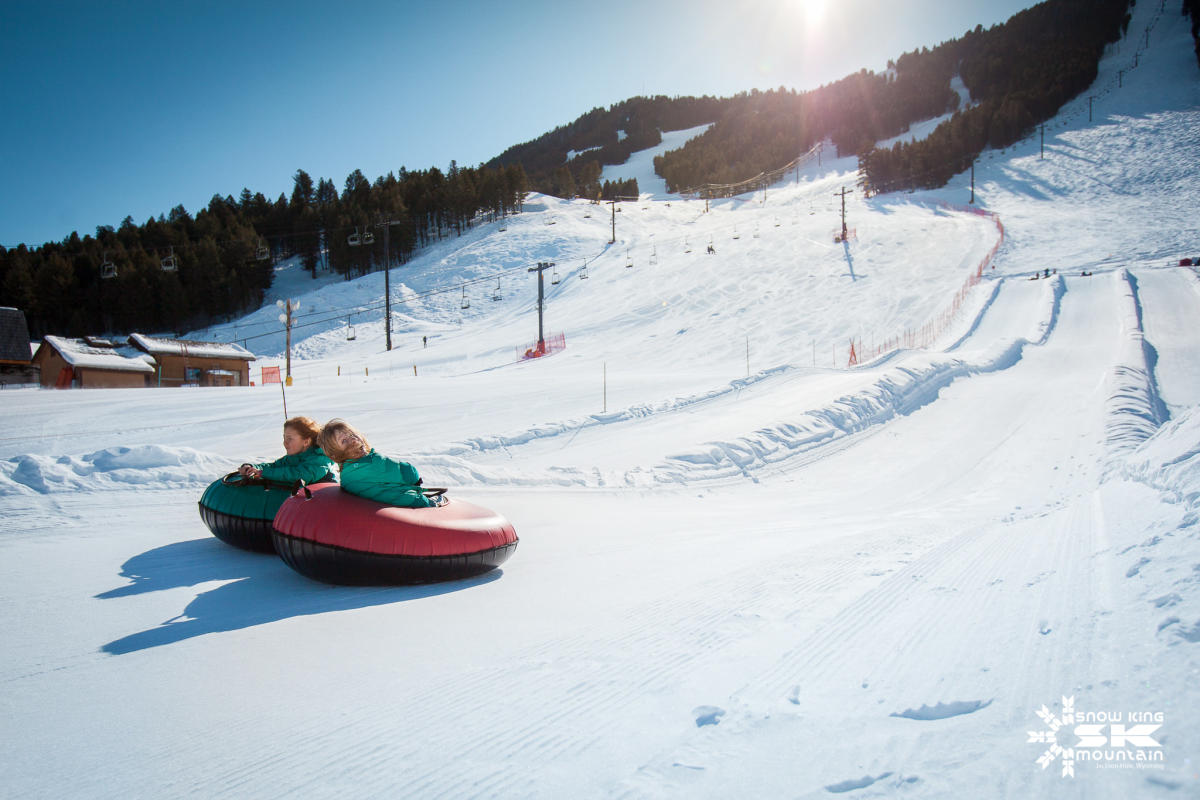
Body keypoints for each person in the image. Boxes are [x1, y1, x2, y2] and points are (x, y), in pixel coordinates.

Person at [317, 418, 434, 508]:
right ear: (336, 453)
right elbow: (410, 474)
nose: (353, 440)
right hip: (412, 503)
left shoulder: (347, 472)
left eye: (352, 435)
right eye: (344, 441)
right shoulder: (373, 463)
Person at [238, 416, 335, 485]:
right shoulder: (293, 457)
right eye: (284, 438)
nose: (285, 443)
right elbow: (273, 466)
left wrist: (263, 473)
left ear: (306, 442)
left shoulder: (320, 458)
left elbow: (300, 475)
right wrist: (251, 468)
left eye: (290, 438)